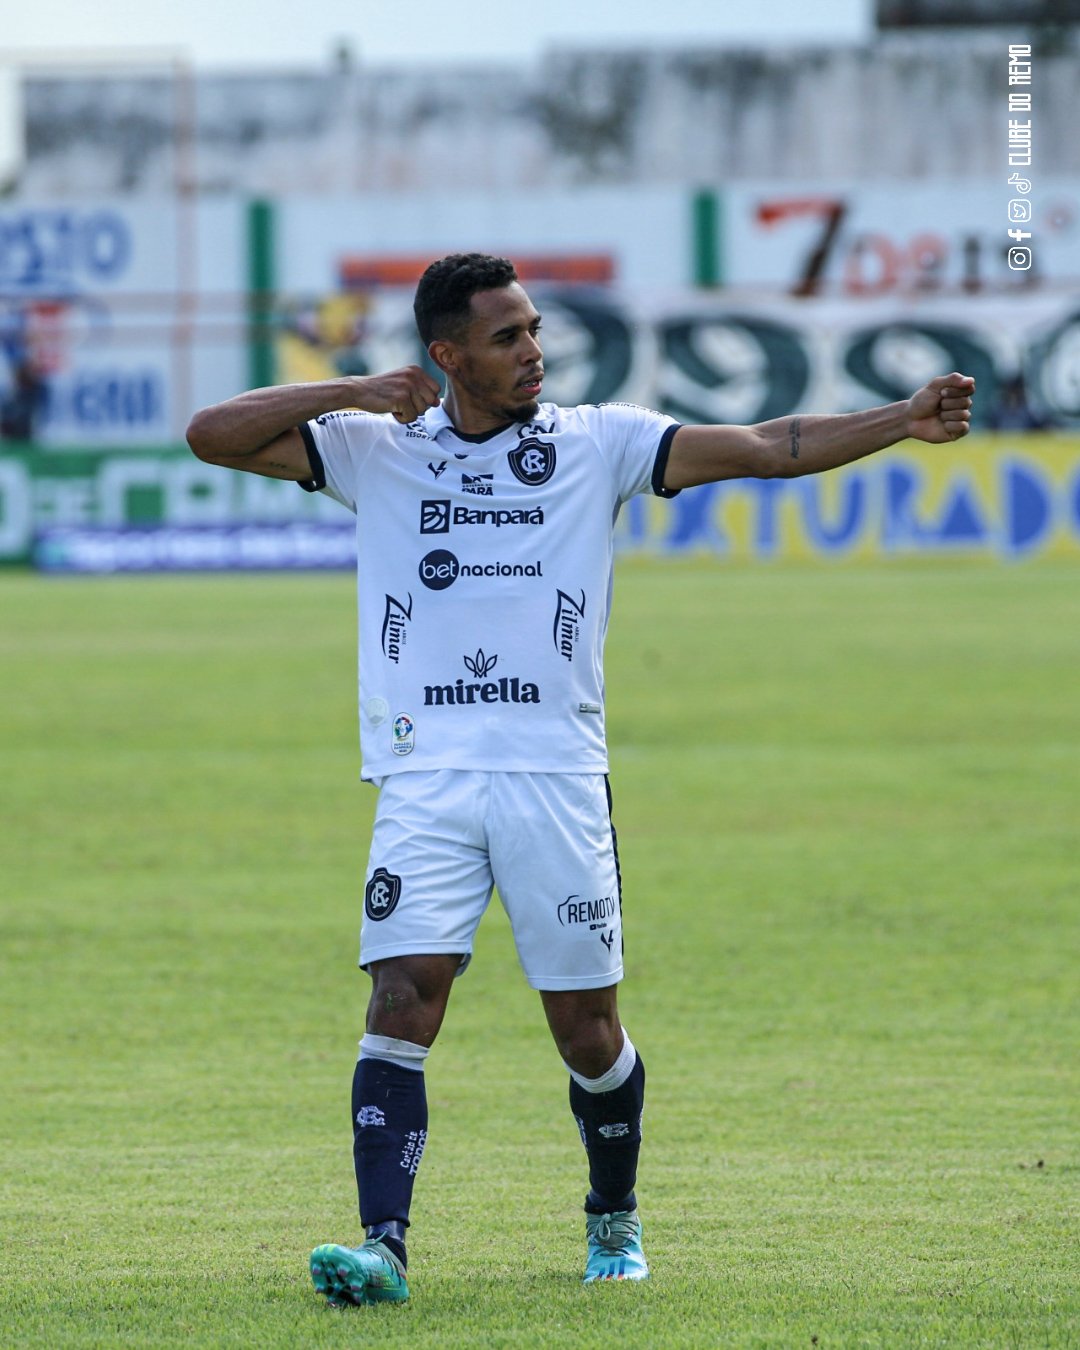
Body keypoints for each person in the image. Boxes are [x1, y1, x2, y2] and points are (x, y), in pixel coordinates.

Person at [186, 252, 975, 1307]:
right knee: (400, 1000)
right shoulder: (377, 451)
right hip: (425, 776)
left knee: (588, 1035)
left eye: (534, 330)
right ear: (446, 355)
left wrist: (901, 418)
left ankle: (612, 1211)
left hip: (555, 776)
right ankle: (385, 1247)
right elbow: (210, 435)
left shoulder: (596, 442)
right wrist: (350, 391)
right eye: (507, 336)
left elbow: (764, 447)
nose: (534, 351)